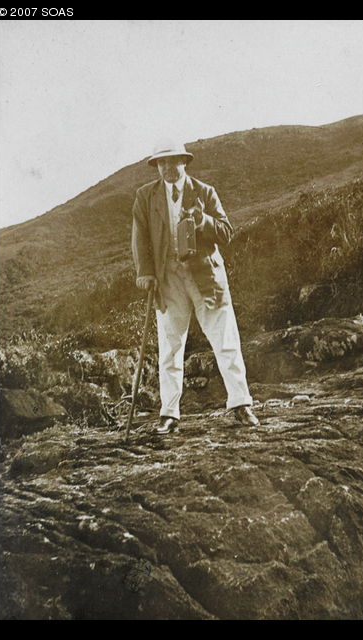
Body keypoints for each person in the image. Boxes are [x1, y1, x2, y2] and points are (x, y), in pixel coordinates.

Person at [132, 139, 259, 433]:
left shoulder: (204, 192)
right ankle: (169, 414)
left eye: (172, 161)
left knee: (225, 340)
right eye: (161, 162)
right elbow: (140, 237)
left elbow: (225, 232)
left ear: (184, 161)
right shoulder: (146, 196)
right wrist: (145, 272)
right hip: (168, 279)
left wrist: (202, 221)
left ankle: (241, 405)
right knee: (170, 347)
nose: (167, 167)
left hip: (206, 278)